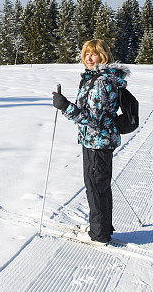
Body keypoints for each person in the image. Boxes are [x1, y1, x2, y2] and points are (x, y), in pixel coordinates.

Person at [52, 38, 130, 244]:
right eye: (86, 53)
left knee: (95, 186)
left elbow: (94, 120)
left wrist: (65, 106)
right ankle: (102, 227)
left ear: (103, 56)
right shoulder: (93, 78)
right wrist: (68, 107)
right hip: (93, 140)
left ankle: (99, 234)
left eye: (93, 53)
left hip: (98, 141)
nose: (88, 57)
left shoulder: (101, 82)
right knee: (99, 184)